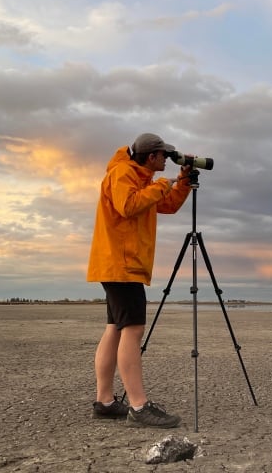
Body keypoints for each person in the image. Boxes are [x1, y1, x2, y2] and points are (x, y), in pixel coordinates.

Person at [87, 133, 193, 428]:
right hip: (121, 264)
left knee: (115, 329)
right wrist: (161, 184)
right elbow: (128, 206)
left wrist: (182, 183)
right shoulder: (122, 174)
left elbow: (167, 205)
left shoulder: (142, 178)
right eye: (164, 155)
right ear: (152, 157)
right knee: (132, 330)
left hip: (120, 264)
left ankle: (105, 402)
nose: (166, 160)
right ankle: (138, 406)